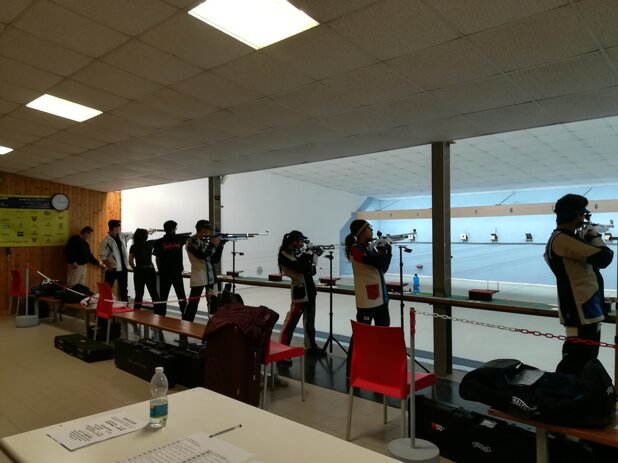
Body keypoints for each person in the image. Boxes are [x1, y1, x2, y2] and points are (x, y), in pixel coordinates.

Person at [544, 194, 613, 375]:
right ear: (576, 215)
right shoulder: (562, 239)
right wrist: (594, 235)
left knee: (586, 361)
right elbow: (605, 257)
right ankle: (564, 390)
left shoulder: (567, 238)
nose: (584, 218)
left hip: (587, 309)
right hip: (580, 311)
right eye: (582, 214)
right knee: (576, 363)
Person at [344, 219, 392, 376]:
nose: (371, 231)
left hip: (380, 299)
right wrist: (381, 248)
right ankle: (351, 371)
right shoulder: (356, 249)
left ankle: (379, 367)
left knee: (382, 335)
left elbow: (383, 266)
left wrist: (387, 249)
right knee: (361, 336)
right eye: (369, 229)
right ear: (362, 232)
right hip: (367, 300)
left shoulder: (367, 248)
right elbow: (377, 261)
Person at [277, 230, 325, 358]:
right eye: (300, 241)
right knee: (291, 322)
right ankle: (282, 349)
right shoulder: (284, 254)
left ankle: (311, 345)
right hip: (300, 292)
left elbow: (311, 270)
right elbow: (301, 267)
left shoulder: (297, 253)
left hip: (310, 289)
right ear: (294, 241)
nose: (302, 243)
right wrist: (310, 255)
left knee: (310, 321)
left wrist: (312, 257)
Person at [183, 220, 225, 322]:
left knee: (213, 304)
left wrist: (220, 246)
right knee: (193, 304)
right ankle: (185, 328)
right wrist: (212, 245)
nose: (210, 232)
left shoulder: (206, 241)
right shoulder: (191, 241)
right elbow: (201, 255)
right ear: (202, 229)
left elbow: (215, 260)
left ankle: (213, 327)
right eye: (209, 230)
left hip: (211, 276)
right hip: (199, 275)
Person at [153, 220, 190, 317]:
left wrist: (160, 270)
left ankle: (161, 317)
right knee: (181, 296)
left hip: (164, 272)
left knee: (163, 296)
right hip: (176, 272)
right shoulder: (179, 238)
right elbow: (190, 237)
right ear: (173, 229)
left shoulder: (159, 242)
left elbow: (157, 258)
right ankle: (186, 316)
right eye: (175, 228)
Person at [129, 228, 165, 315]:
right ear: (145, 236)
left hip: (139, 271)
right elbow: (161, 240)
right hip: (150, 270)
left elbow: (130, 262)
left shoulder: (133, 247)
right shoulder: (150, 243)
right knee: (154, 293)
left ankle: (136, 314)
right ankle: (158, 314)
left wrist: (135, 269)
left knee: (139, 294)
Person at [98, 219, 134, 302]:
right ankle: (103, 307)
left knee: (123, 289)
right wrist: (109, 267)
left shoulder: (122, 236)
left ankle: (125, 306)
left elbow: (132, 234)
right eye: (119, 227)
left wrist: (147, 231)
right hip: (113, 269)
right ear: (114, 228)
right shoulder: (106, 241)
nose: (120, 228)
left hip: (123, 268)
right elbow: (103, 256)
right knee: (107, 289)